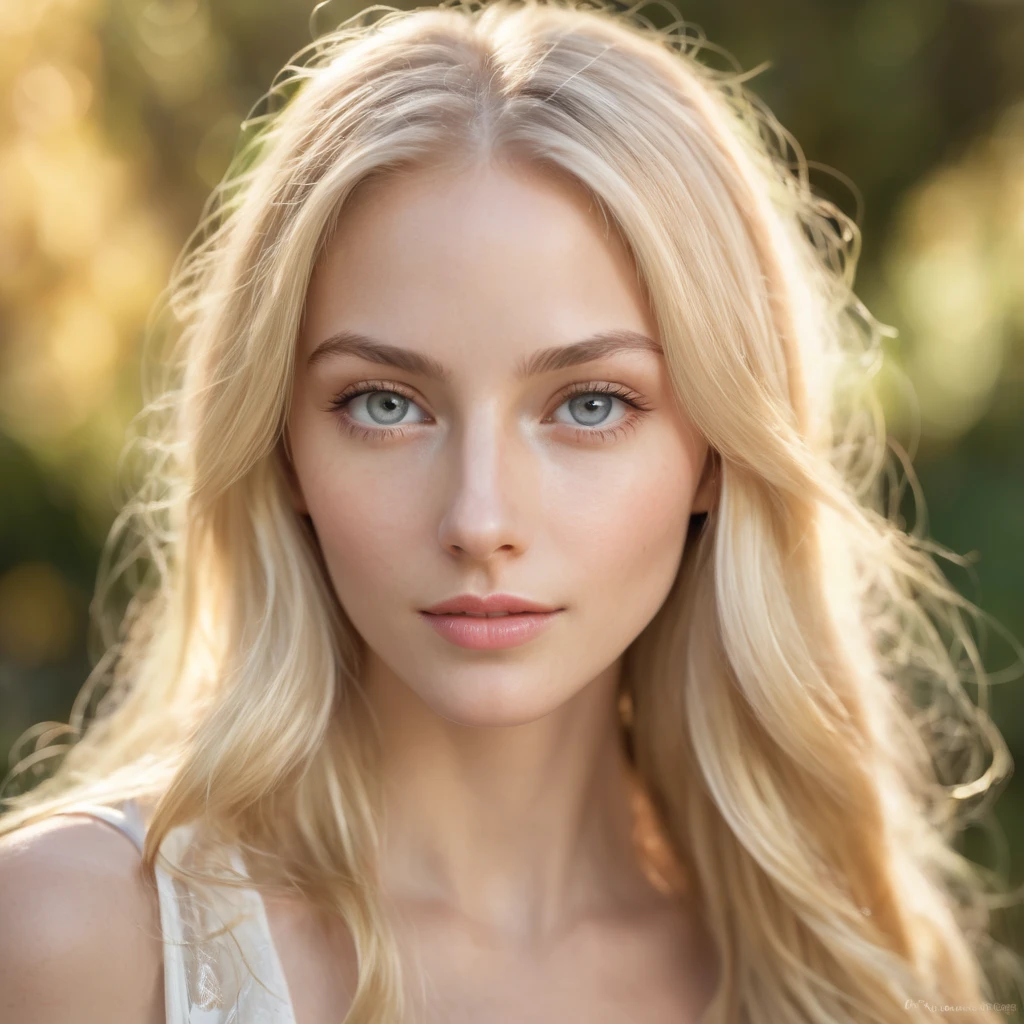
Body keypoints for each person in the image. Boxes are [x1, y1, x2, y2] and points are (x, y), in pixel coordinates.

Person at [0, 1, 1019, 1021]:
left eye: (588, 405)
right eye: (385, 405)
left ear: (715, 452)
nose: (479, 518)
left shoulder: (839, 974)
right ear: (282, 449)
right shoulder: (80, 937)